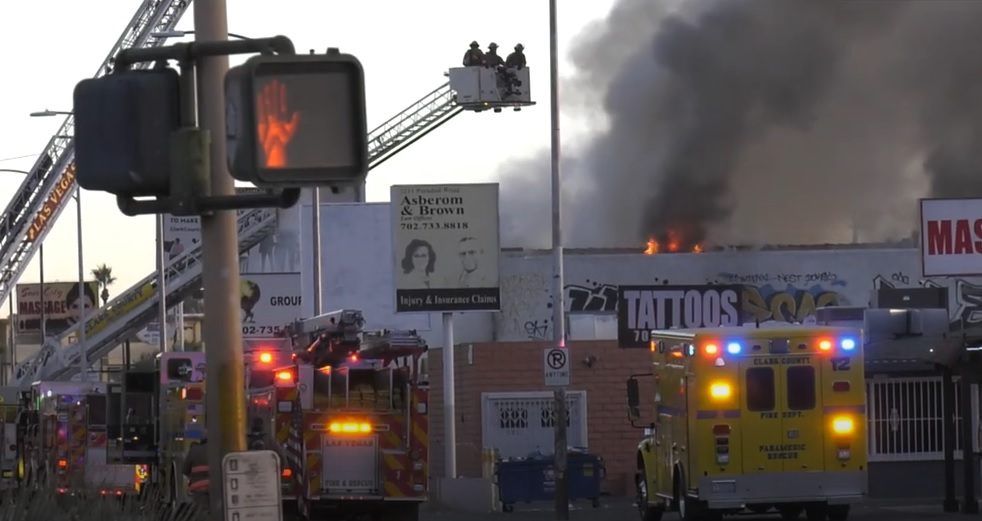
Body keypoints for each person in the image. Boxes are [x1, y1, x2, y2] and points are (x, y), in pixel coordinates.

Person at [183, 432, 210, 510]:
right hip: (215, 487)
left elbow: (184, 470)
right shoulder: (217, 450)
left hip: (198, 488)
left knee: (201, 511)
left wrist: (191, 477)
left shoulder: (194, 450)